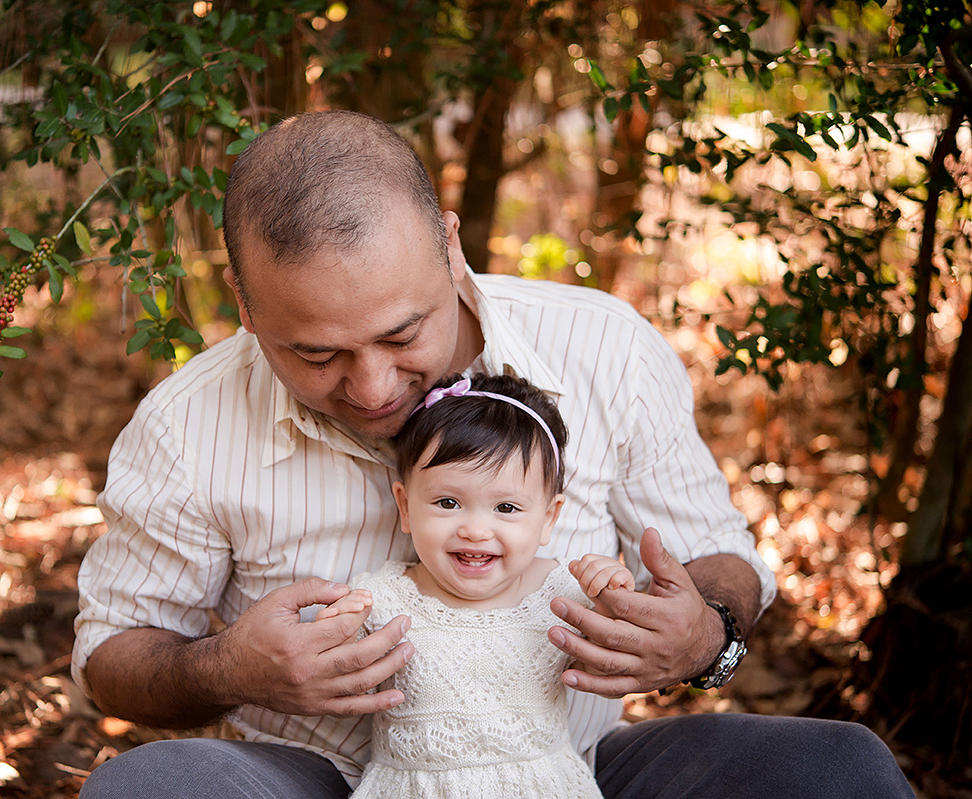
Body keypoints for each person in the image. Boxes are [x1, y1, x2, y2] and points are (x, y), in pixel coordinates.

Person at [74, 110, 913, 798]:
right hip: (314, 781)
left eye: (402, 334)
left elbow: (717, 558)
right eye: (316, 354)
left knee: (840, 770)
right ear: (244, 302)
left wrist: (705, 634)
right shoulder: (187, 423)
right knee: (147, 790)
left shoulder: (604, 349)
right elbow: (113, 658)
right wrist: (229, 667)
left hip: (573, 772)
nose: (371, 388)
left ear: (449, 244)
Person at [316, 373, 633, 799]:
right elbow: (340, 673)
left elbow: (610, 664)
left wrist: (612, 601)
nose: (476, 530)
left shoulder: (563, 594)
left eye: (506, 507)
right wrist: (337, 628)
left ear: (549, 518)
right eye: (448, 503)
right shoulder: (384, 597)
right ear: (405, 507)